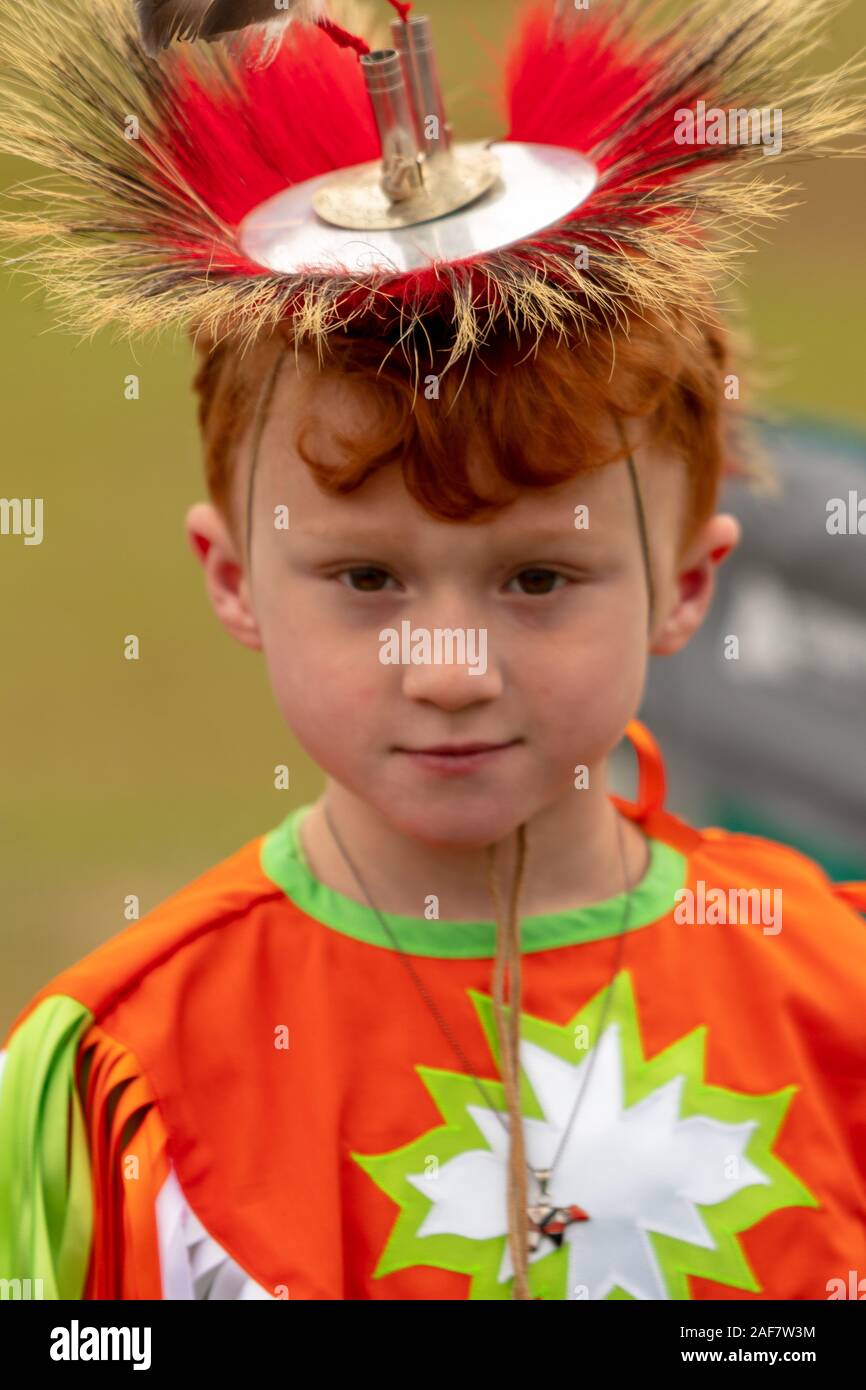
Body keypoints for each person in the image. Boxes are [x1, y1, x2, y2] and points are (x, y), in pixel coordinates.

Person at [0, 0, 863, 1301]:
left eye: (534, 577)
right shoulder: (127, 1069)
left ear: (684, 585)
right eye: (364, 576)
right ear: (233, 580)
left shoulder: (833, 996)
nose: (450, 663)